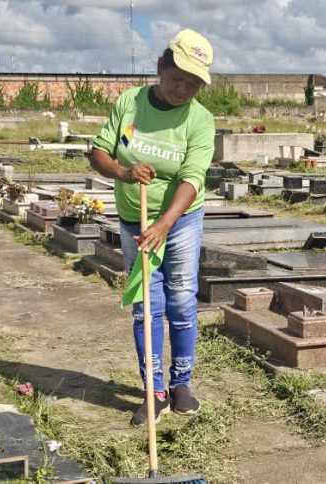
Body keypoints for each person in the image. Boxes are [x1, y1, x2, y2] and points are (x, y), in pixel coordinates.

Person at [90, 28, 215, 426]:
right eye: (178, 77)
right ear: (160, 67)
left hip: (179, 221)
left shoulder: (199, 119)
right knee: (147, 307)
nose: (183, 88)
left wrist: (165, 224)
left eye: (193, 84)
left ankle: (181, 384)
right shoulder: (131, 106)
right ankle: (154, 391)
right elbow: (101, 154)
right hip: (135, 220)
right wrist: (124, 172)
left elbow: (192, 177)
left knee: (180, 300)